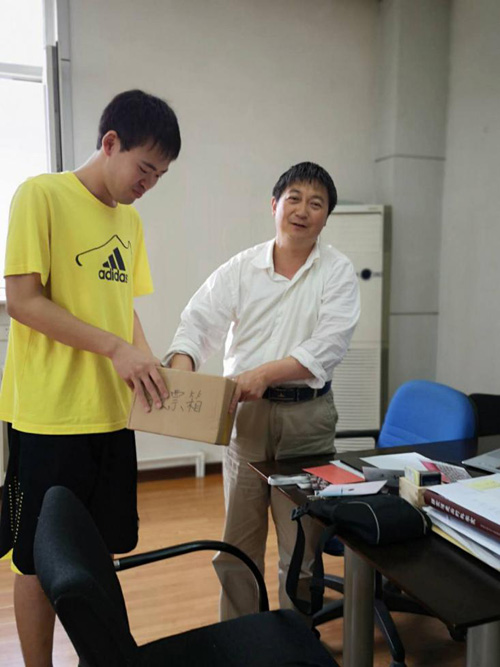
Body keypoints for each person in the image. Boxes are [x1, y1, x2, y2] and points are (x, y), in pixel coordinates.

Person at [0, 89, 180, 666]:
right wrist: (114, 349)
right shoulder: (41, 195)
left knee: (96, 552)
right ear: (110, 143)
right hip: (48, 416)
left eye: (160, 176)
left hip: (110, 415)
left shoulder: (129, 221)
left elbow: (123, 309)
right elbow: (22, 301)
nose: (148, 184)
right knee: (34, 558)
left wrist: (148, 366)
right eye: (144, 168)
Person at [164, 161, 360, 620]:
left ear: (326, 218)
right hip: (246, 421)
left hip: (307, 421)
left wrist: (264, 374)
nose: (303, 210)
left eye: (316, 203)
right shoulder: (242, 268)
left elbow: (329, 345)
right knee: (238, 545)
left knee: (301, 550)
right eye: (294, 199)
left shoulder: (337, 271)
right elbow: (198, 323)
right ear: (274, 205)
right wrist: (182, 371)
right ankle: (241, 637)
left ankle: (297, 640)